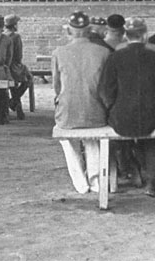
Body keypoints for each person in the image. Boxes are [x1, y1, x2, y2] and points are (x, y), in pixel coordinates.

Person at [100, 17, 155, 197]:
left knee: (120, 139)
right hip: (152, 116)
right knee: (151, 144)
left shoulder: (114, 57)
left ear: (125, 35)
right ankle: (152, 185)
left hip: (121, 117)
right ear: (145, 35)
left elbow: (105, 92)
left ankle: (128, 169)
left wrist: (113, 108)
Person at [52, 12, 111, 194]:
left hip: (67, 112)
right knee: (92, 141)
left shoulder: (58, 52)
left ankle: (80, 183)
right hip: (96, 111)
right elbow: (106, 86)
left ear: (69, 30)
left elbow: (56, 86)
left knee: (67, 141)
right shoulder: (103, 52)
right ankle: (95, 182)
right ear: (89, 30)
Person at [5, 14, 31, 121]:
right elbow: (19, 55)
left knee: (14, 88)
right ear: (14, 25)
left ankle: (16, 104)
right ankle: (13, 102)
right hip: (14, 65)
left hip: (5, 66)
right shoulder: (16, 36)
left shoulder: (3, 35)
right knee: (28, 80)